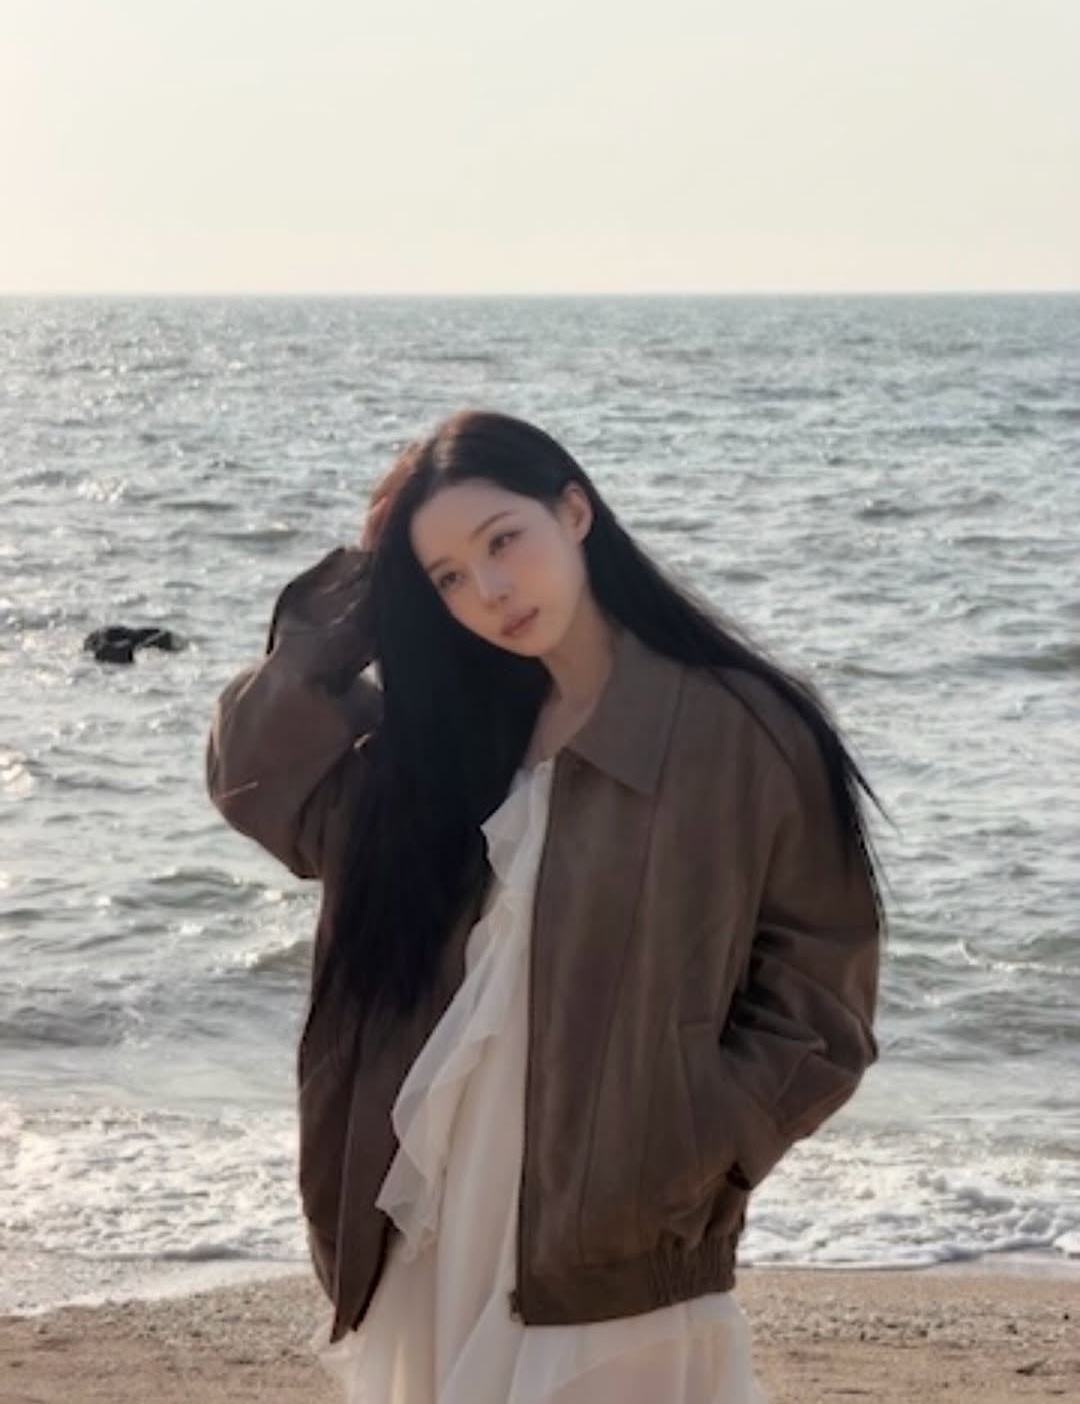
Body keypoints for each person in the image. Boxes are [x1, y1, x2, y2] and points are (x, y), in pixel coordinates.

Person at [206, 409, 886, 1403]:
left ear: (574, 510)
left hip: (618, 1238)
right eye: (446, 576)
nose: (489, 591)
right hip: (434, 1222)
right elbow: (259, 778)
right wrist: (360, 601)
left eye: (503, 541)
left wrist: (685, 1150)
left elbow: (823, 998)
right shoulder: (448, 742)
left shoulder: (737, 728)